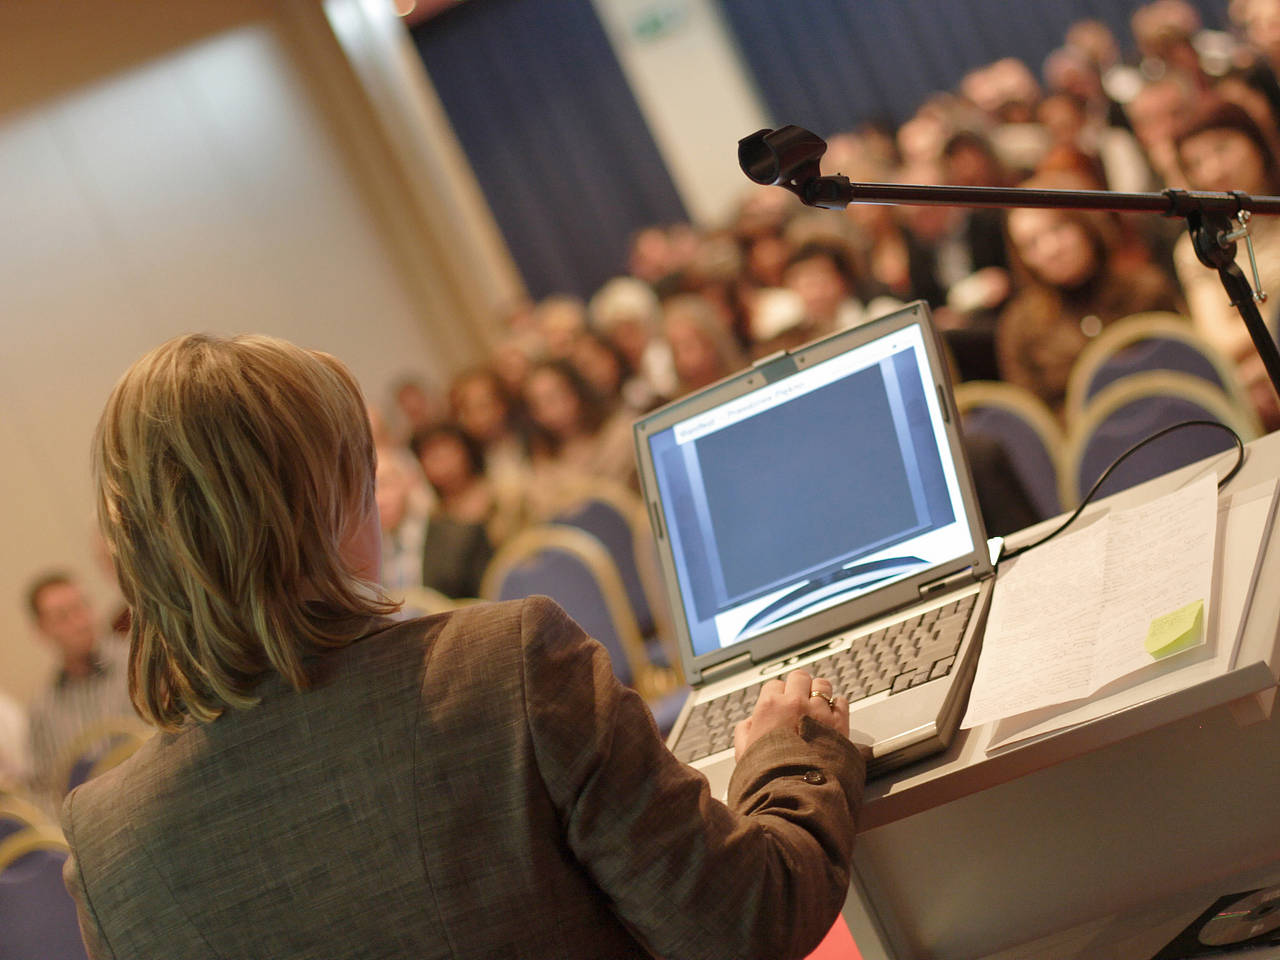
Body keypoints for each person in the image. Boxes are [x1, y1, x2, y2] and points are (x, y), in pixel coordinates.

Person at [61, 333, 864, 959]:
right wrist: (787, 757)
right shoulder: (503, 665)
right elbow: (743, 924)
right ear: (331, 501)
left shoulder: (106, 843)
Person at [25, 572, 135, 808]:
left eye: (81, 607)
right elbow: (48, 793)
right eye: (62, 617)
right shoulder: (42, 711)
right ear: (42, 630)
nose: (79, 622)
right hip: (94, 829)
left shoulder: (138, 664)